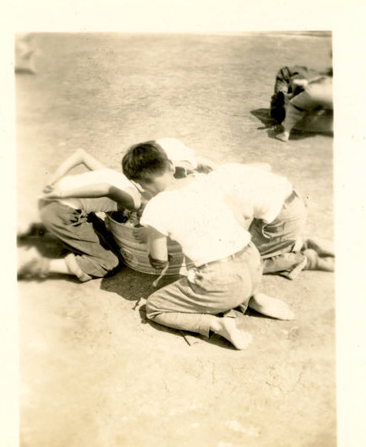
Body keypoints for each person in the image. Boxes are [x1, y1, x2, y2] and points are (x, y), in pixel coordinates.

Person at [122, 141, 295, 350]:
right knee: (230, 273)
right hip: (252, 259)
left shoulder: (155, 207)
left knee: (154, 307)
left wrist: (152, 238)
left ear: (139, 185)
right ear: (170, 165)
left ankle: (216, 323)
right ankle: (252, 297)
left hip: (222, 278)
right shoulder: (203, 180)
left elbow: (159, 260)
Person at [18, 148, 141, 282]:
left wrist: (53, 179)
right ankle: (34, 264)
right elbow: (105, 188)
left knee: (107, 237)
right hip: (60, 212)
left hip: (53, 201)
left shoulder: (120, 178)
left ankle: (51, 234)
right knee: (110, 262)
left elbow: (81, 154)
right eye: (134, 221)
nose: (130, 222)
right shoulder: (133, 203)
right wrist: (61, 195)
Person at [205, 163, 334, 278]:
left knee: (245, 262)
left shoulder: (218, 193)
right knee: (251, 246)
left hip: (283, 216)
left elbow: (242, 220)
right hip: (294, 200)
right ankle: (300, 243)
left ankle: (303, 260)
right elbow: (266, 166)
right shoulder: (222, 169)